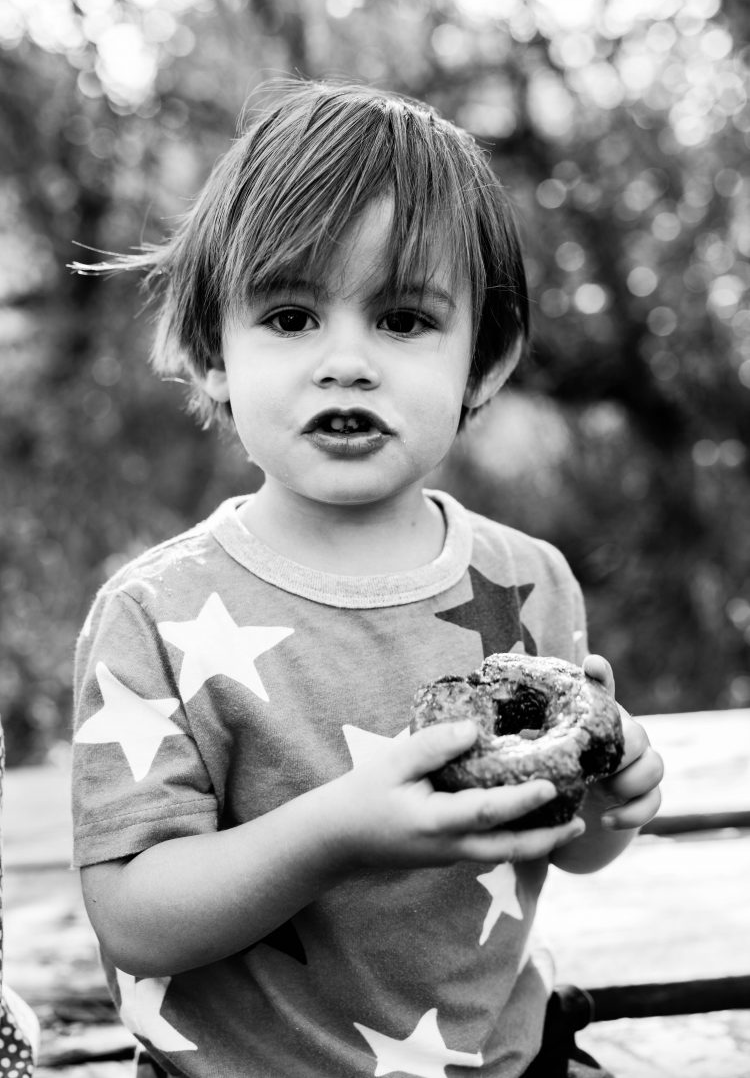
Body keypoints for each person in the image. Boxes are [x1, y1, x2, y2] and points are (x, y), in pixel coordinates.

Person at [71, 79, 663, 1078]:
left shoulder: (528, 583)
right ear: (217, 352)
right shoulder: (157, 616)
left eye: (402, 319)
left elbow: (555, 845)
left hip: (502, 1062)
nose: (346, 362)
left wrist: (613, 807)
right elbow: (135, 918)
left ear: (487, 360)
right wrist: (339, 831)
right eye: (292, 316)